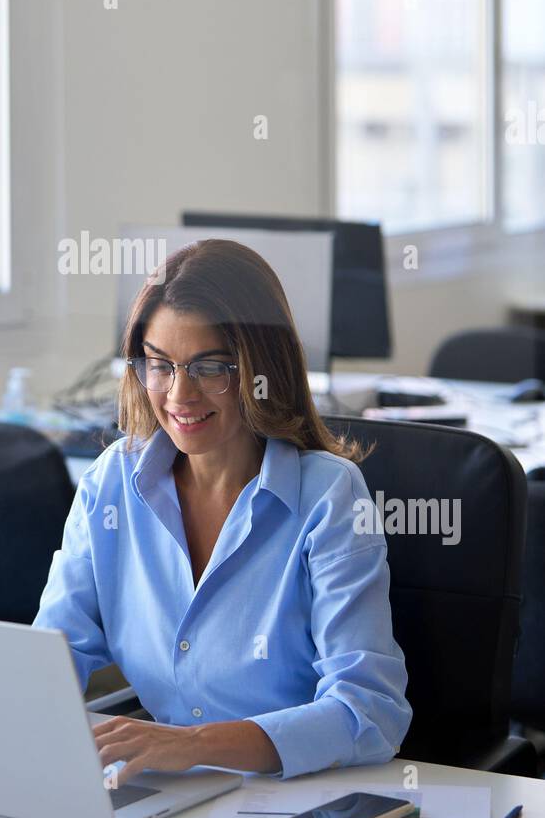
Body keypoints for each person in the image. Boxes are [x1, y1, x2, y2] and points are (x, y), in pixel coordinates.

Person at [33, 238, 412, 782]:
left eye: (211, 367)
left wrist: (192, 745)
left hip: (292, 800)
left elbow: (370, 713)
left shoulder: (328, 497)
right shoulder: (112, 483)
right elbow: (53, 653)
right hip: (168, 794)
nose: (178, 394)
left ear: (261, 368)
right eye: (159, 365)